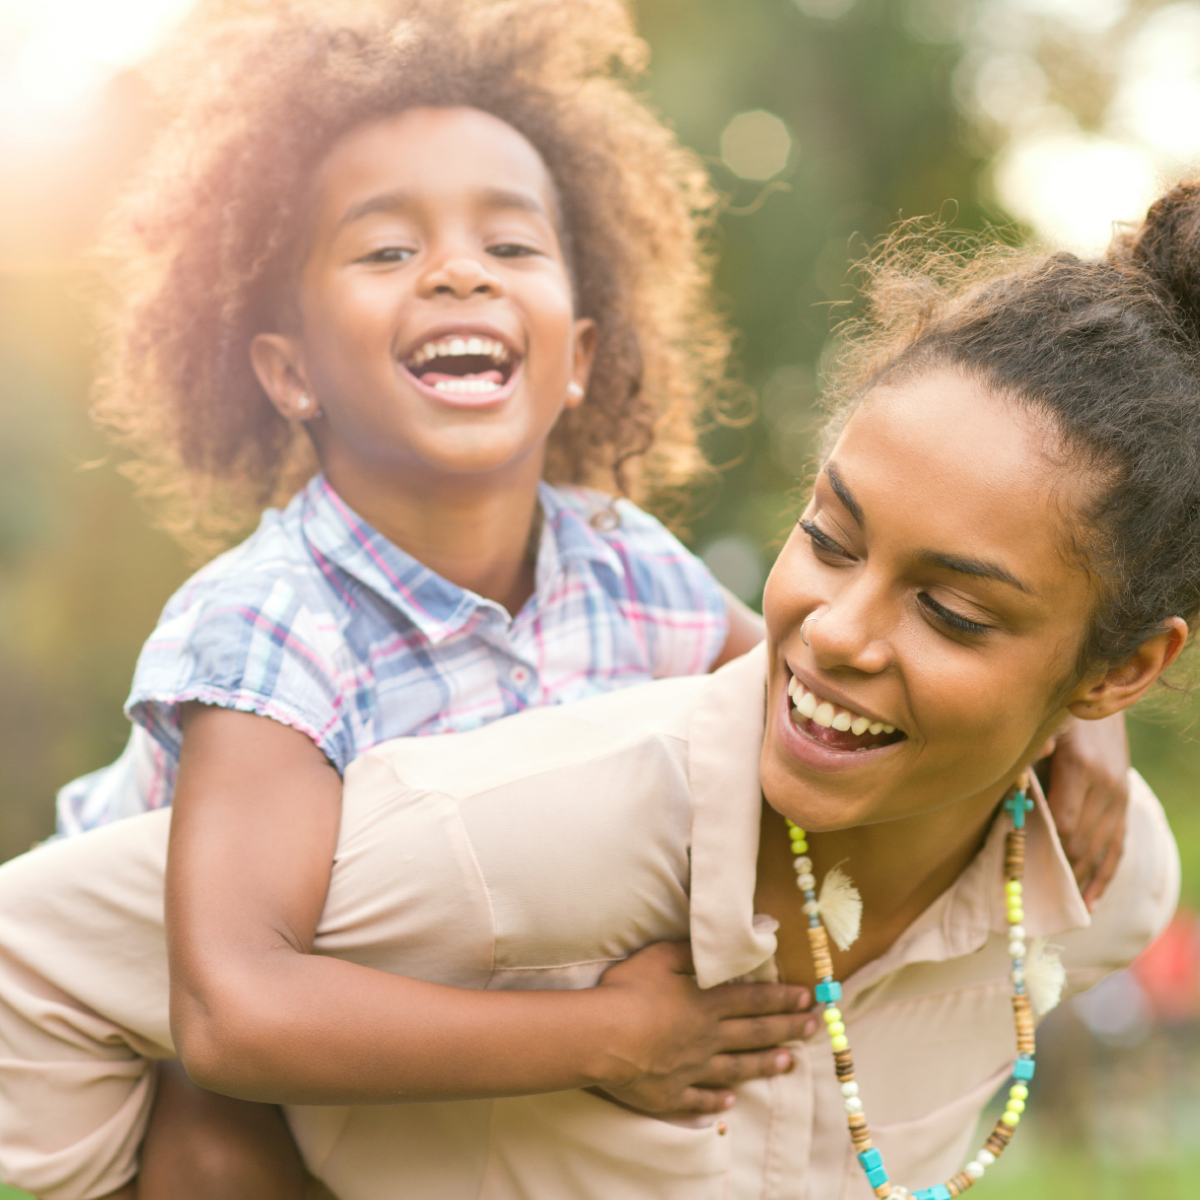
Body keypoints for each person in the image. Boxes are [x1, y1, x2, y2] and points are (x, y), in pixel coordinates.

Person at [3, 179, 1197, 1199]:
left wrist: (1063, 728)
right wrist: (595, 1033)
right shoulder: (447, 789)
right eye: (829, 540)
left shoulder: (1107, 881)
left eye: (954, 609)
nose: (834, 635)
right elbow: (118, 979)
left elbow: (783, 662)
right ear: (286, 373)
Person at [51, 1, 820, 1195]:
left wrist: (1061, 727)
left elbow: (829, 702)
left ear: (572, 359)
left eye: (511, 248)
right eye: (386, 250)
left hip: (465, 1025)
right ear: (291, 370)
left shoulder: (629, 567)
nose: (459, 268)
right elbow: (232, 1012)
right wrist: (619, 1035)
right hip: (189, 1033)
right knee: (215, 1162)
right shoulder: (272, 622)